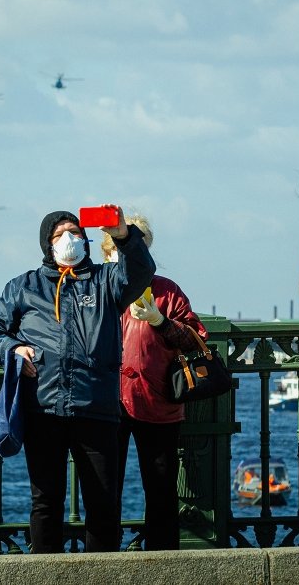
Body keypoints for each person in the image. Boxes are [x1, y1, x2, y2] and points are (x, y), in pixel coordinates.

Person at [0, 205, 155, 553]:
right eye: (59, 234)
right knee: (46, 502)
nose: (68, 239)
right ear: (48, 244)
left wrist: (123, 235)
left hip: (97, 407)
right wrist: (12, 349)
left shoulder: (106, 281)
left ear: (86, 240)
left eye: (75, 232)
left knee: (104, 504)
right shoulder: (23, 287)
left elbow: (141, 270)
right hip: (43, 408)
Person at [101, 214, 207, 551]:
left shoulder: (167, 291)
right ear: (108, 254)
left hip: (157, 400)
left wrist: (161, 322)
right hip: (107, 403)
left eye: (141, 250)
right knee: (103, 488)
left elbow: (194, 340)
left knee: (160, 489)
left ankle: (163, 561)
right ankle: (102, 558)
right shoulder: (98, 288)